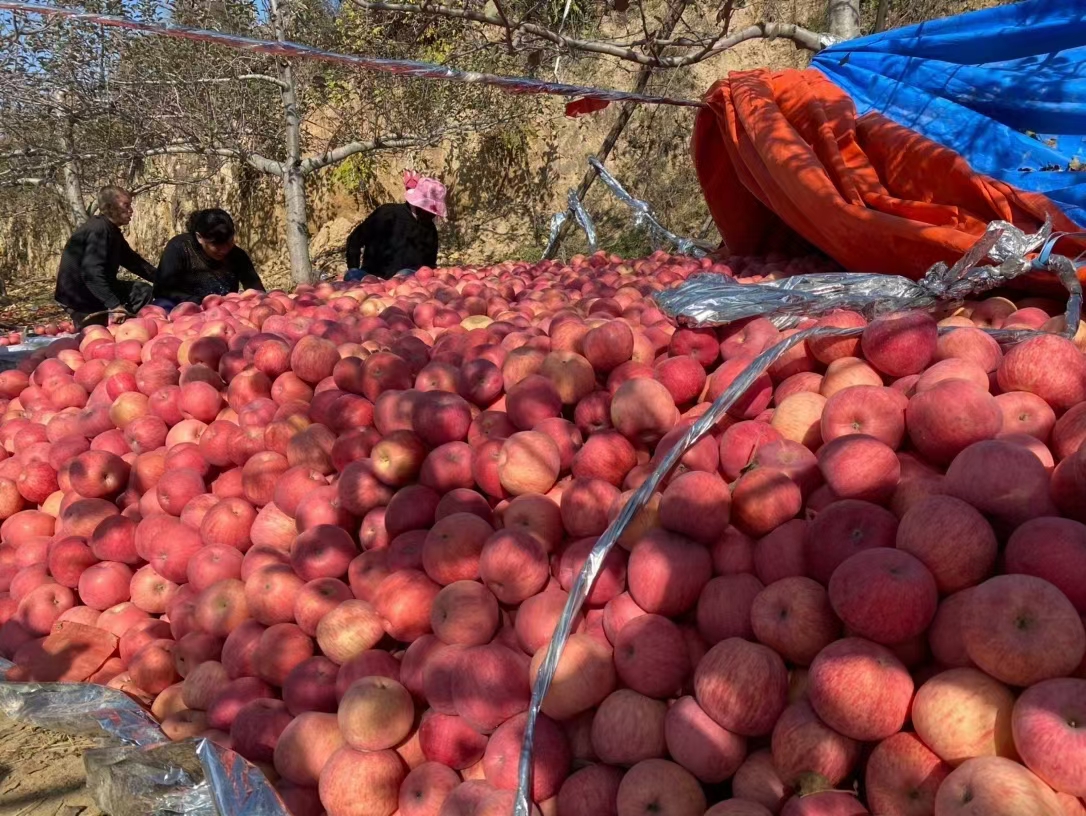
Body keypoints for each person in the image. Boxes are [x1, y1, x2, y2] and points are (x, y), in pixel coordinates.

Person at [54, 186, 157, 328]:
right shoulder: (99, 230)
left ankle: (129, 329)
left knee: (142, 292)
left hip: (91, 288)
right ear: (110, 208)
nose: (131, 210)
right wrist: (114, 305)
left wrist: (163, 280)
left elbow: (134, 262)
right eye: (126, 205)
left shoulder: (111, 230)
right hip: (79, 294)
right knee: (94, 336)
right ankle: (126, 329)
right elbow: (91, 274)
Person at [153, 208, 265, 308]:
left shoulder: (237, 255)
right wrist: (202, 302)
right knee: (161, 305)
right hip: (185, 312)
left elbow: (258, 291)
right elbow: (161, 290)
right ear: (199, 237)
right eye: (216, 245)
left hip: (224, 313)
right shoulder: (179, 248)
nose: (225, 249)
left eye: (229, 242)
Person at [345, 171, 445, 280]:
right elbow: (354, 240)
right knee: (352, 274)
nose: (433, 214)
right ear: (418, 203)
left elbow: (428, 267)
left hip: (406, 285)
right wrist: (353, 267)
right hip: (370, 278)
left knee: (406, 273)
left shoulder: (430, 231)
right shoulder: (386, 214)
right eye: (429, 210)